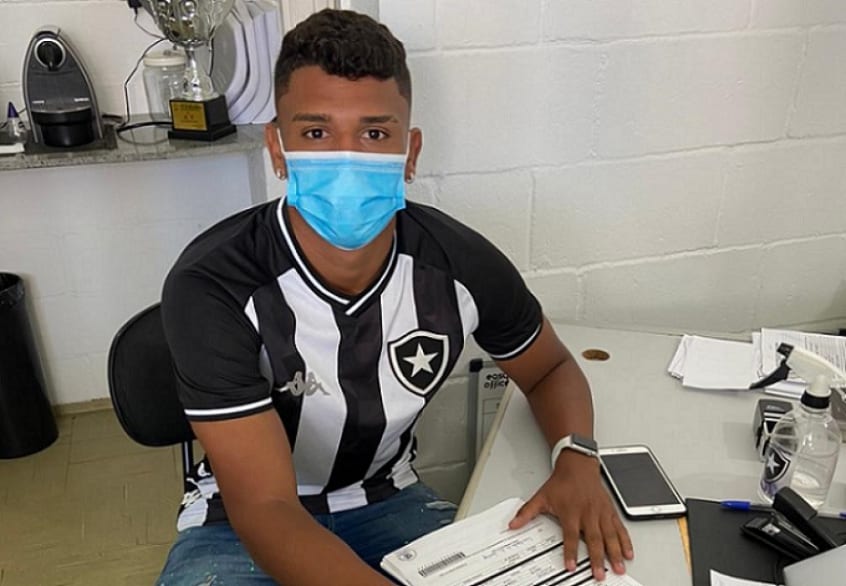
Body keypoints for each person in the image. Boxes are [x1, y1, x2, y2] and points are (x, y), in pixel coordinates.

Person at [158, 8, 633, 585]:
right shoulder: (212, 285)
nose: (347, 158)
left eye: (375, 133)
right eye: (316, 133)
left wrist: (576, 459)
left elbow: (550, 367)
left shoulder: (459, 264)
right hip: (235, 519)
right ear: (277, 149)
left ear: (410, 153)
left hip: (387, 497)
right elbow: (266, 507)